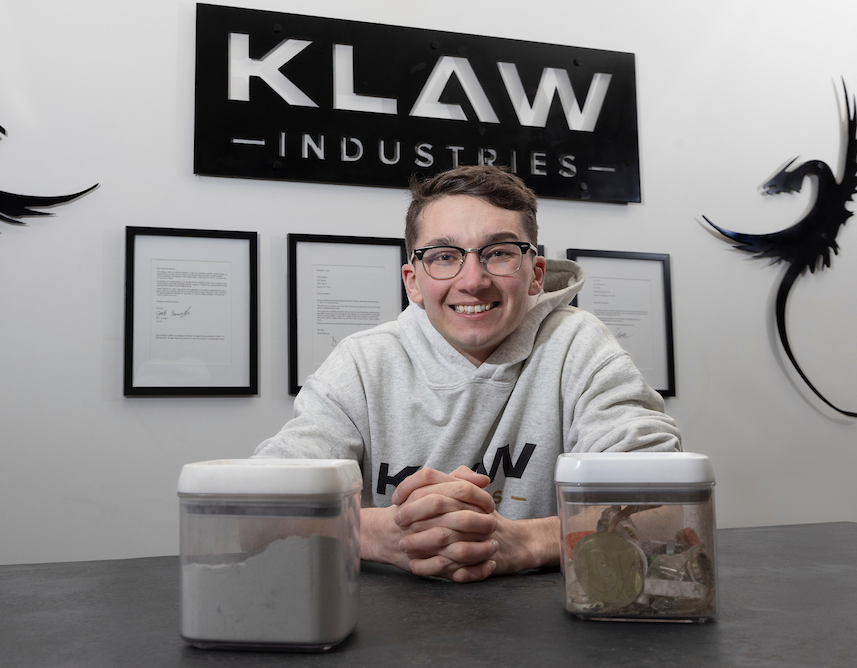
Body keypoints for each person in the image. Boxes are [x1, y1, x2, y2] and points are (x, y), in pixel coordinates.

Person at [254, 165, 681, 583]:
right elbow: (254, 513)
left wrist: (523, 541)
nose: (473, 281)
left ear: (535, 274)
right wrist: (373, 534)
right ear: (413, 282)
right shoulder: (362, 364)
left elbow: (669, 505)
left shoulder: (579, 346)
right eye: (444, 256)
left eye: (499, 253)